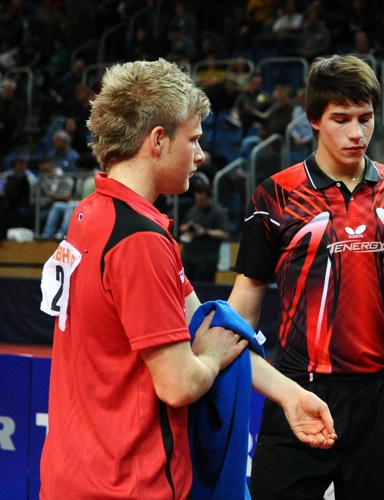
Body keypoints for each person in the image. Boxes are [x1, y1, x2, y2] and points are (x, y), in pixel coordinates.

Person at [39, 58, 336, 499]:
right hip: (128, 484)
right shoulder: (139, 240)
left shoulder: (89, 213)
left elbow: (209, 329)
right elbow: (179, 383)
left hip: (69, 475)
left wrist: (289, 395)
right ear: (158, 140)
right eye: (193, 140)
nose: (201, 155)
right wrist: (212, 362)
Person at [227, 54, 384, 500]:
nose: (356, 133)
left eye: (365, 119)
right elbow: (246, 295)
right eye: (341, 119)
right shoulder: (274, 195)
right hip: (299, 392)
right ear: (313, 120)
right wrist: (217, 361)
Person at [179, 180, 229, 283]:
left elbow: (224, 234)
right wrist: (187, 227)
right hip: (189, 257)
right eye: (197, 199)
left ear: (209, 198)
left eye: (202, 200)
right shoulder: (193, 210)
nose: (199, 202)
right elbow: (181, 227)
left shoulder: (218, 213)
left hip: (207, 259)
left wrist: (206, 232)